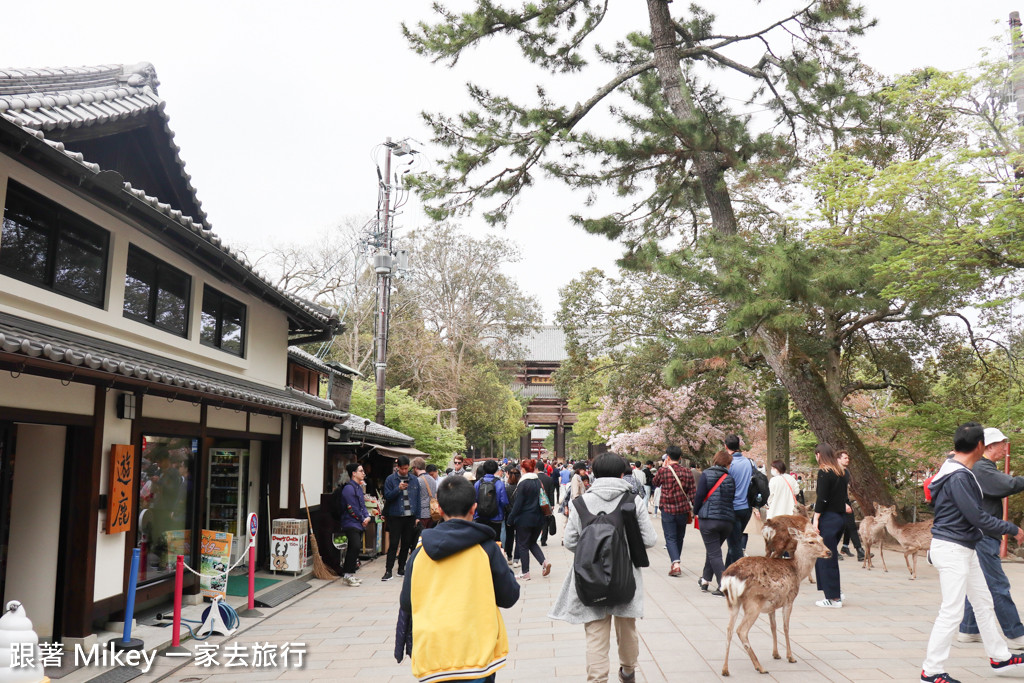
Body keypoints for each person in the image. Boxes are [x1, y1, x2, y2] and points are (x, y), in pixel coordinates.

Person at [921, 422, 1024, 683]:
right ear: (980, 446)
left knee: (982, 601)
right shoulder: (959, 476)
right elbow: (978, 517)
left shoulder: (954, 467)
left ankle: (1000, 657)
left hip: (965, 546)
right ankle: (931, 671)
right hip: (953, 548)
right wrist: (1011, 528)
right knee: (952, 611)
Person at [399, 476, 521, 683]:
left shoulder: (419, 552)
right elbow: (509, 597)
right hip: (476, 650)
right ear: (474, 508)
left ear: (440, 508)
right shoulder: (486, 548)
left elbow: (406, 603)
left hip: (433, 652)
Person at [549, 452, 657, 683]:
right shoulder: (633, 500)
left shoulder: (580, 503)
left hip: (590, 577)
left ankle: (597, 679)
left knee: (595, 633)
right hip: (626, 576)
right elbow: (649, 539)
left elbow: (570, 542)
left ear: (593, 474)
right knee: (627, 627)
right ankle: (628, 671)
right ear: (622, 474)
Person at [958, 427, 1024, 647]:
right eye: (1001, 444)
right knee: (997, 585)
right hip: (983, 535)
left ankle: (968, 629)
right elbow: (1009, 484)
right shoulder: (982, 468)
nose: (1005, 448)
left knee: (980, 584)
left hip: (981, 534)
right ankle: (1016, 634)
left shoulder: (983, 467)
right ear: (988, 446)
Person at [694, 449, 735, 596]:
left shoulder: (706, 474)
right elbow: (731, 498)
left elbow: (699, 496)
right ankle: (705, 579)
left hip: (709, 520)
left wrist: (695, 511)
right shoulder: (730, 478)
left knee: (714, 553)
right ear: (726, 464)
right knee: (713, 550)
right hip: (727, 521)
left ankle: (723, 585)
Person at [651, 445, 696, 577]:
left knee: (670, 537)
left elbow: (655, 482)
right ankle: (675, 562)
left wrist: (663, 467)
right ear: (680, 457)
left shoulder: (663, 471)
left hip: (667, 509)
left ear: (668, 457)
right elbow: (692, 492)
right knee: (679, 536)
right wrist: (696, 509)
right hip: (683, 509)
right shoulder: (687, 472)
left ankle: (675, 564)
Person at [812, 443, 846, 608]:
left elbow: (822, 498)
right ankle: (834, 591)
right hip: (840, 518)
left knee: (826, 556)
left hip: (828, 518)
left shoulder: (825, 472)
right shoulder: (841, 472)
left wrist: (816, 518)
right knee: (826, 556)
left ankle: (833, 598)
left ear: (819, 454)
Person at [506, 458, 551, 580]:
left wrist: (510, 519)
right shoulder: (538, 481)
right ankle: (544, 562)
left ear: (524, 469)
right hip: (538, 518)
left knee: (523, 545)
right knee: (532, 542)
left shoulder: (523, 483)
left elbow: (518, 504)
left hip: (524, 519)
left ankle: (525, 572)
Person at [381, 455, 421, 582]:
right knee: (393, 543)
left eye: (406, 468)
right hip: (395, 515)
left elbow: (418, 499)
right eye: (402, 469)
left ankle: (401, 569)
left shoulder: (414, 480)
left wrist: (417, 516)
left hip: (410, 516)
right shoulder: (390, 479)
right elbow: (387, 496)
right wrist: (398, 489)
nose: (404, 471)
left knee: (406, 543)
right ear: (397, 468)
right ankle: (388, 570)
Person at [336, 462, 371, 586]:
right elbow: (352, 508)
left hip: (358, 523)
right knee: (354, 547)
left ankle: (349, 574)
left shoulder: (358, 487)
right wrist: (362, 518)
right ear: (354, 473)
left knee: (355, 548)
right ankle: (346, 574)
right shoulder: (349, 488)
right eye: (361, 471)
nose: (363, 473)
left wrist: (367, 516)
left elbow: (362, 505)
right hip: (350, 522)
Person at [724, 434, 753, 567]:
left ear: (726, 446)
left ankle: (740, 574)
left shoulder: (729, 464)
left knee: (734, 545)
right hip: (746, 507)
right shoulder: (749, 462)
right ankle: (726, 572)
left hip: (732, 507)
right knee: (734, 541)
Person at [836, 451, 867, 563]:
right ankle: (833, 550)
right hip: (836, 503)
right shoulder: (834, 472)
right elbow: (834, 491)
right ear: (838, 459)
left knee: (851, 525)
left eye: (848, 458)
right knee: (838, 527)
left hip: (845, 502)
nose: (847, 460)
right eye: (845, 458)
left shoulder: (846, 472)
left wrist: (847, 502)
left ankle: (860, 551)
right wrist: (842, 504)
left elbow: (845, 489)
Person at [475, 460, 511, 540]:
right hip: (496, 517)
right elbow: (504, 501)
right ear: (495, 470)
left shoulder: (478, 483)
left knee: (482, 541)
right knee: (495, 541)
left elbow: (474, 499)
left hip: (480, 516)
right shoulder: (499, 483)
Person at [536, 464, 557, 546]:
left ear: (537, 469)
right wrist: (552, 504)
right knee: (545, 521)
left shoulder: (535, 479)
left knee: (537, 520)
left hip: (536, 503)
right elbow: (552, 493)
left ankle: (535, 537)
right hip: (546, 503)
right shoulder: (549, 479)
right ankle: (543, 540)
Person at [416, 461, 440, 531]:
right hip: (433, 512)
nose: (432, 476)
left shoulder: (419, 480)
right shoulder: (433, 480)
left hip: (423, 513)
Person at [504, 467, 521, 566]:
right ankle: (516, 559)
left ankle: (509, 556)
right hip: (519, 515)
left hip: (509, 515)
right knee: (519, 538)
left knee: (509, 537)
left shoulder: (506, 489)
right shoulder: (520, 488)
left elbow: (504, 503)